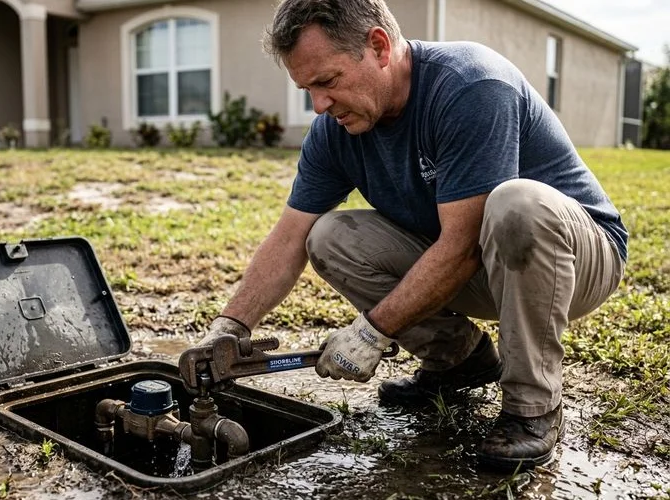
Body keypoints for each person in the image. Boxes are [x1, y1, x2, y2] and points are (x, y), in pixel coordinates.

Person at [189, 0, 627, 471]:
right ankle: (459, 360)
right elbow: (290, 236)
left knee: (514, 204)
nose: (319, 105)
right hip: (479, 262)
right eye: (306, 89)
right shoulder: (334, 133)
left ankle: (532, 409)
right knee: (328, 235)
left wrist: (370, 333)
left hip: (574, 258)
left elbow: (461, 246)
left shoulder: (470, 86)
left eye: (327, 81)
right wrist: (231, 327)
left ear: (378, 46)